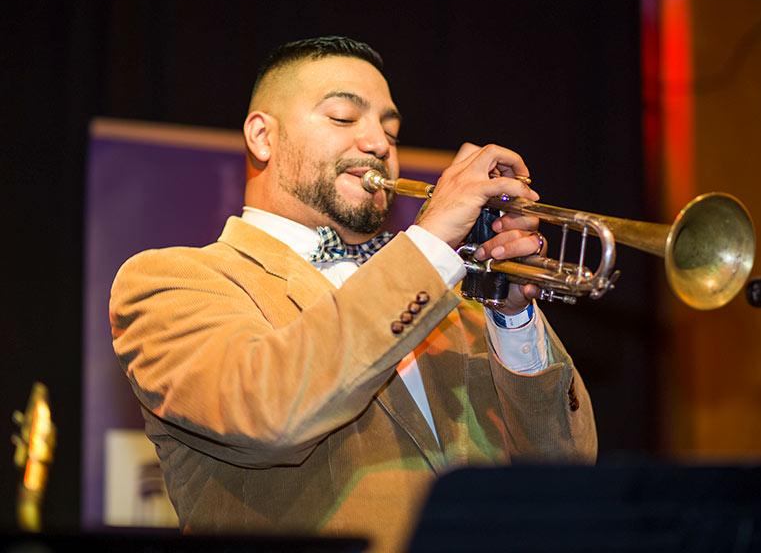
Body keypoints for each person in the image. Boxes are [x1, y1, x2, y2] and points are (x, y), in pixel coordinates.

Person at [110, 36, 597, 552]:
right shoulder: (170, 280)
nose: (380, 144)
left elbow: (563, 477)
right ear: (262, 136)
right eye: (344, 117)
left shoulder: (447, 290)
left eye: (390, 128)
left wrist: (511, 316)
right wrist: (428, 246)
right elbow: (269, 413)